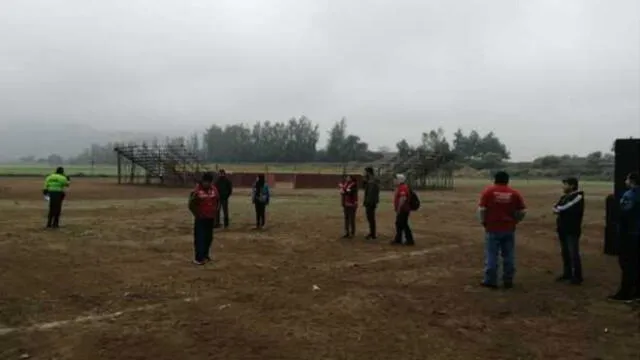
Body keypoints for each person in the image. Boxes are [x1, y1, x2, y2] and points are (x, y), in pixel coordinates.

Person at [477, 171, 526, 289]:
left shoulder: (488, 192)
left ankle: (490, 280)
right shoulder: (514, 193)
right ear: (507, 180)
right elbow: (522, 211)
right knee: (509, 255)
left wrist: (484, 222)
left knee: (492, 255)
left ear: (495, 179)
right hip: (509, 228)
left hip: (492, 228)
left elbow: (482, 209)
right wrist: (516, 221)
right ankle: (508, 280)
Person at [608, 172, 640, 301]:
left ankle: (625, 293)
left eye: (627, 179)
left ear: (632, 181)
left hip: (630, 234)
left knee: (627, 264)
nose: (625, 181)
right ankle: (637, 292)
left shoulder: (630, 194)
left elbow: (624, 212)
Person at [552, 177, 585, 285]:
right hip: (563, 228)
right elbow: (556, 207)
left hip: (572, 229)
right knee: (565, 252)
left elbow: (563, 207)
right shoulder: (565, 196)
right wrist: (557, 209)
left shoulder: (578, 196)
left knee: (573, 252)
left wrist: (558, 209)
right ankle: (568, 273)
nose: (563, 186)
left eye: (565, 184)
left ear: (572, 186)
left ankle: (577, 276)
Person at [188, 172, 220, 265]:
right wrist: (197, 214)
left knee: (208, 238)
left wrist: (215, 212)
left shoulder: (214, 190)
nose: (208, 184)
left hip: (210, 218)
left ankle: (206, 255)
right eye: (206, 182)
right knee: (200, 238)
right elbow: (191, 204)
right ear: (203, 181)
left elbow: (217, 201)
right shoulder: (196, 191)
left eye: (209, 182)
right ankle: (198, 258)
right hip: (201, 218)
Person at [391, 174, 414, 246]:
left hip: (403, 210)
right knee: (399, 224)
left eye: (396, 179)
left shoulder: (402, 187)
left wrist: (398, 209)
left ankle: (409, 240)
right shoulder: (401, 187)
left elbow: (403, 198)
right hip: (403, 209)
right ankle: (399, 239)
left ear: (400, 180)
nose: (394, 181)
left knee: (403, 224)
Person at [363, 167, 380, 240]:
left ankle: (372, 234)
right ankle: (372, 233)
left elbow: (373, 193)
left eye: (365, 172)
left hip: (371, 202)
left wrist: (370, 202)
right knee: (370, 218)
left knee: (371, 218)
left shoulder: (373, 181)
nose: (364, 173)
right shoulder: (370, 180)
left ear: (368, 172)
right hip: (369, 202)